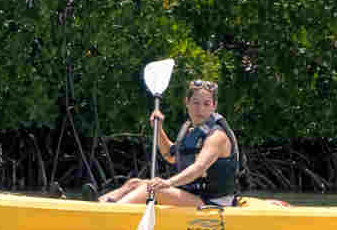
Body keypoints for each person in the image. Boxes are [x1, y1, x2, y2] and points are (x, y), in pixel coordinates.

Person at [97, 79, 239, 207]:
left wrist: (168, 183)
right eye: (195, 103)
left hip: (214, 201)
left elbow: (199, 168)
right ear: (187, 103)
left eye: (206, 104)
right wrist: (158, 129)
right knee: (134, 183)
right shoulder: (190, 131)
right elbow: (171, 156)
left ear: (214, 106)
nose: (200, 109)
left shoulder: (217, 136)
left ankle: (112, 212)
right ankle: (99, 203)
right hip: (196, 195)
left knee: (154, 190)